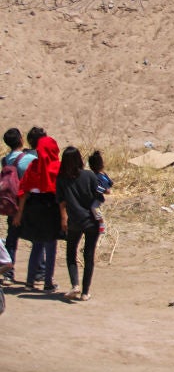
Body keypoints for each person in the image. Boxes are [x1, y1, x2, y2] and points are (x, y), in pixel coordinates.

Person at [13, 132, 61, 292]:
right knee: (51, 245)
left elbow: (23, 190)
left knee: (37, 244)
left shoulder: (33, 165)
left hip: (33, 207)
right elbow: (61, 192)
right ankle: (48, 282)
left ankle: (29, 282)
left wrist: (19, 213)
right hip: (50, 207)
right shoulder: (56, 166)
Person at [55, 146, 102, 302]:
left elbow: (61, 203)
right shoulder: (89, 176)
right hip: (91, 221)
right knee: (88, 256)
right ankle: (85, 292)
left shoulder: (61, 179)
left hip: (73, 221)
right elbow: (100, 196)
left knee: (71, 253)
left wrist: (63, 219)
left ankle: (75, 284)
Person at [2, 127, 35, 285]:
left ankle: (8, 273)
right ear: (21, 139)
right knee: (37, 237)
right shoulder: (28, 159)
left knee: (12, 237)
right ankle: (38, 273)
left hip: (11, 203)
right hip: (27, 203)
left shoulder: (5, 159)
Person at [87, 150, 112, 234]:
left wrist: (104, 190)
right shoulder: (103, 174)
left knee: (94, 208)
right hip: (96, 196)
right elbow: (110, 183)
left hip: (96, 197)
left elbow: (97, 188)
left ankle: (101, 224)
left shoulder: (97, 176)